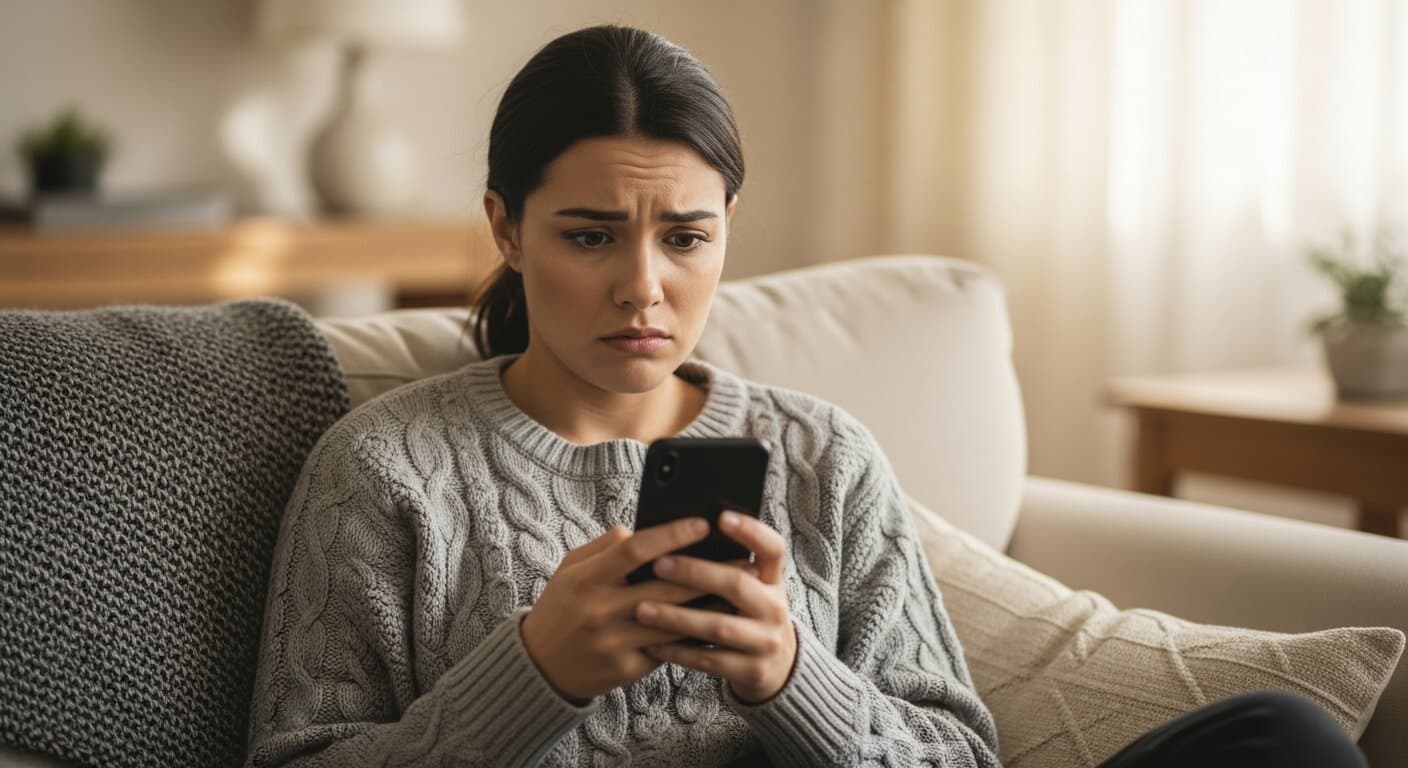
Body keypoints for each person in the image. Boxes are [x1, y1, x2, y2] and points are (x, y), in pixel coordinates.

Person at [242, 23, 1368, 768]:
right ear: (506, 226)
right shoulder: (385, 468)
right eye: (589, 236)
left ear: (728, 226)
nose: (643, 287)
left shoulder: (823, 454)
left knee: (1282, 738)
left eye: (687, 238)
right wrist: (533, 673)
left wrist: (793, 678)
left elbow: (956, 756)